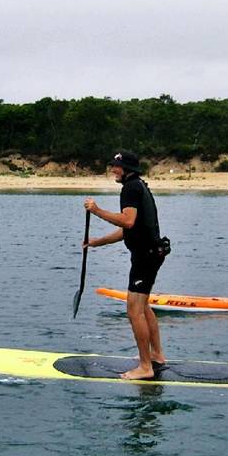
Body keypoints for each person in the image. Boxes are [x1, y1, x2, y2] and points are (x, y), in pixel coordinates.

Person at [83, 151, 168, 380]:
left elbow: (127, 220)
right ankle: (157, 355)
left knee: (133, 310)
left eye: (116, 166)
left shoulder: (130, 188)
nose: (113, 169)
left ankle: (145, 367)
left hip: (145, 256)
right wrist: (96, 243)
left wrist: (97, 210)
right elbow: (128, 230)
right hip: (151, 253)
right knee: (143, 306)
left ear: (127, 168)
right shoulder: (139, 186)